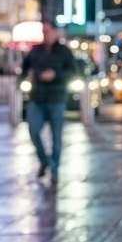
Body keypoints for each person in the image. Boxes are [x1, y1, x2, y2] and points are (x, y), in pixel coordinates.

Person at [21, 21, 76, 185]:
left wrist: (56, 75)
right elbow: (24, 68)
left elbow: (73, 72)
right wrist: (25, 77)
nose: (46, 34)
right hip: (37, 98)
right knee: (33, 130)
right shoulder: (35, 50)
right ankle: (44, 160)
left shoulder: (64, 52)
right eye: (43, 31)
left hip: (57, 99)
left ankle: (54, 170)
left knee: (56, 137)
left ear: (55, 32)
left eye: (48, 31)